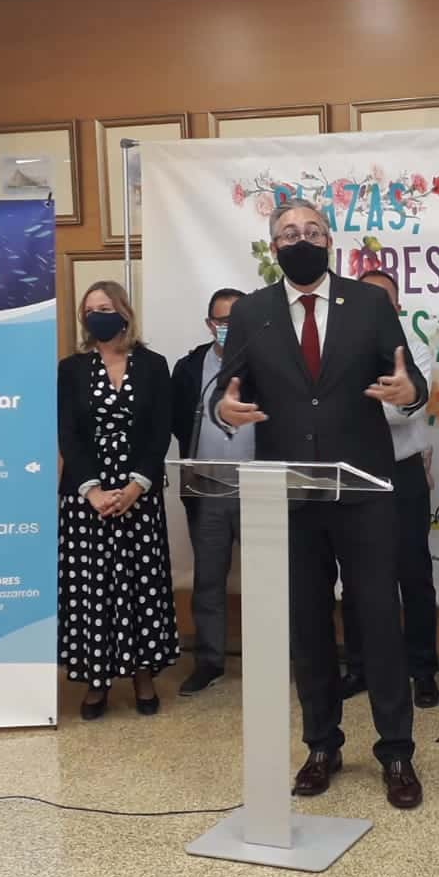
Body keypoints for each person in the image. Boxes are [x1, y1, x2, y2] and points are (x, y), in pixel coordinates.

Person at [212, 198, 430, 810]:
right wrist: (223, 409)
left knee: (378, 621)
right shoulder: (252, 312)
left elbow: (409, 378)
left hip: (362, 490)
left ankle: (396, 751)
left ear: (330, 241)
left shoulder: (368, 303)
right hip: (289, 495)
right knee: (307, 625)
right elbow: (227, 389)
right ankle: (321, 745)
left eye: (311, 230)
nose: (301, 239)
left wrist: (408, 392)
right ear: (273, 247)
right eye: (289, 233)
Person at [57, 280, 179, 720]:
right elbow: (68, 433)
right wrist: (92, 491)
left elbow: (160, 430)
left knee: (140, 587)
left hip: (137, 495)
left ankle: (143, 676)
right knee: (93, 589)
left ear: (124, 313)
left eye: (106, 308)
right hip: (86, 498)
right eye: (90, 310)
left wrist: (134, 487)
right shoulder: (71, 369)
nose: (97, 316)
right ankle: (97, 682)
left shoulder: (153, 365)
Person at [338, 269, 439, 709]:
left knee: (413, 574)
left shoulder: (413, 348)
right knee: (354, 577)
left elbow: (402, 412)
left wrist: (350, 407)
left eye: (385, 300)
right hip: (353, 473)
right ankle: (359, 667)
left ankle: (423, 671)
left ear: (397, 307)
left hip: (402, 473)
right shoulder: (337, 348)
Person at [170, 287, 251, 697]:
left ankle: (274, 657)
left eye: (238, 321)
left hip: (259, 488)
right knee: (208, 580)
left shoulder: (269, 362)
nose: (229, 328)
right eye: (222, 321)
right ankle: (209, 662)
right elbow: (176, 421)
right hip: (207, 488)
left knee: (271, 579)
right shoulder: (189, 368)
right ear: (209, 324)